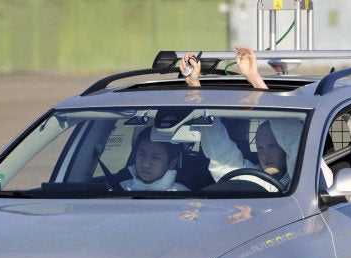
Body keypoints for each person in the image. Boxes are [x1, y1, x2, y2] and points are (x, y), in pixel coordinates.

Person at [180, 46, 302, 191]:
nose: (264, 155)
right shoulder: (253, 178)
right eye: (260, 148)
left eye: (272, 146)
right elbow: (221, 154)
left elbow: (291, 135)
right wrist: (194, 88)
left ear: (285, 146)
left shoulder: (311, 177)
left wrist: (255, 79)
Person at [120, 127, 190, 191]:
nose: (145, 164)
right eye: (142, 154)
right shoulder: (120, 188)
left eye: (155, 157)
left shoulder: (183, 197)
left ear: (172, 163)